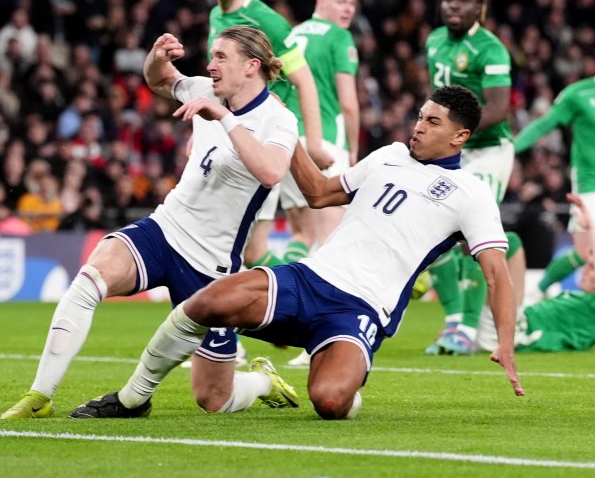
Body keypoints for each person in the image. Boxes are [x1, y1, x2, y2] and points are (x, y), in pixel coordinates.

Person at [69, 86, 524, 421]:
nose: (418, 127)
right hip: (310, 278)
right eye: (420, 117)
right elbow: (320, 193)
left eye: (432, 123)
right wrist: (288, 130)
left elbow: (497, 275)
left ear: (460, 136)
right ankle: (131, 399)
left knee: (328, 401)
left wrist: (504, 341)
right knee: (206, 302)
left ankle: (342, 382)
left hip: (361, 309)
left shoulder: (471, 193)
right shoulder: (388, 156)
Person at [0, 26, 300, 419]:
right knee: (91, 277)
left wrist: (224, 118)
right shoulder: (204, 89)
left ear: (251, 66)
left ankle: (262, 381)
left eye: (221, 57)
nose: (210, 66)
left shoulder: (278, 119)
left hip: (212, 265)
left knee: (214, 399)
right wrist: (157, 57)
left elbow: (272, 172)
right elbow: (160, 80)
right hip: (165, 228)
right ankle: (39, 396)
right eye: (210, 56)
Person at [205, 0, 331, 268]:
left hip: (269, 136)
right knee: (254, 249)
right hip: (237, 132)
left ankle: (297, 299)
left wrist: (313, 143)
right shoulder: (216, 17)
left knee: (271, 241)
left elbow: (304, 80)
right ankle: (294, 298)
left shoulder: (268, 22)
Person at [270, 0, 361, 368]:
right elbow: (349, 102)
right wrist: (353, 151)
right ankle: (319, 339)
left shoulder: (291, 33)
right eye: (341, 1)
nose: (347, 11)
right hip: (324, 143)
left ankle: (283, 310)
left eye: (352, 5)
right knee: (332, 242)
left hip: (290, 141)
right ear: (322, 0)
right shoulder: (339, 39)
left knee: (302, 233)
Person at [424, 0, 517, 356]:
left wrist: (453, 129)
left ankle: (466, 330)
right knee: (429, 227)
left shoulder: (491, 49)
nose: (453, 6)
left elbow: (498, 107)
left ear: (480, 7)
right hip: (449, 150)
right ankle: (453, 323)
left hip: (489, 151)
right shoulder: (433, 41)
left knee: (470, 233)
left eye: (462, 0)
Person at [477, 194, 595, 353]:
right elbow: (585, 254)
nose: (585, 271)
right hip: (507, 324)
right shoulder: (581, 299)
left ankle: (462, 323)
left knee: (509, 242)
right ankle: (464, 326)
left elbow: (582, 254)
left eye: (592, 268)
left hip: (513, 332)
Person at [513, 76, 595, 296]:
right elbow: (544, 123)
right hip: (590, 185)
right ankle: (534, 294)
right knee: (584, 253)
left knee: (585, 254)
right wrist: (511, 148)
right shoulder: (577, 94)